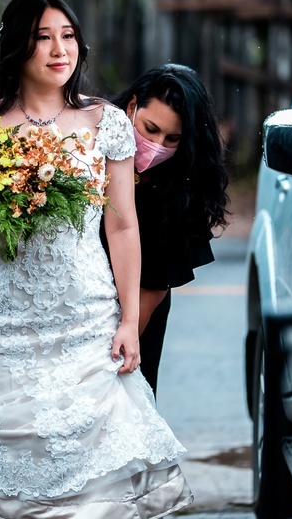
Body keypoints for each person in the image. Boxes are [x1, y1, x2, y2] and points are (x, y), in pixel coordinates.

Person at [0, 0, 192, 519]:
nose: (61, 49)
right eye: (43, 37)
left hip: (87, 320)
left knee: (94, 478)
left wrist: (129, 321)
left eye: (69, 35)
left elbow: (123, 225)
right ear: (18, 46)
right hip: (6, 321)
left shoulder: (106, 121)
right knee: (13, 470)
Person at [107, 64, 230, 394]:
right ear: (132, 107)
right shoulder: (90, 147)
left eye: (172, 139)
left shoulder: (185, 189)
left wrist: (125, 331)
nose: (157, 145)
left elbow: (154, 286)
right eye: (150, 129)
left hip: (135, 317)